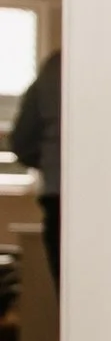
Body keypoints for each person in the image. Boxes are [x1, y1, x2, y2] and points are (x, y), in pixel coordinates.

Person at [10, 47, 56, 282]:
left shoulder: (56, 69)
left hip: (60, 198)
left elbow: (23, 143)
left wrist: (53, 163)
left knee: (72, 293)